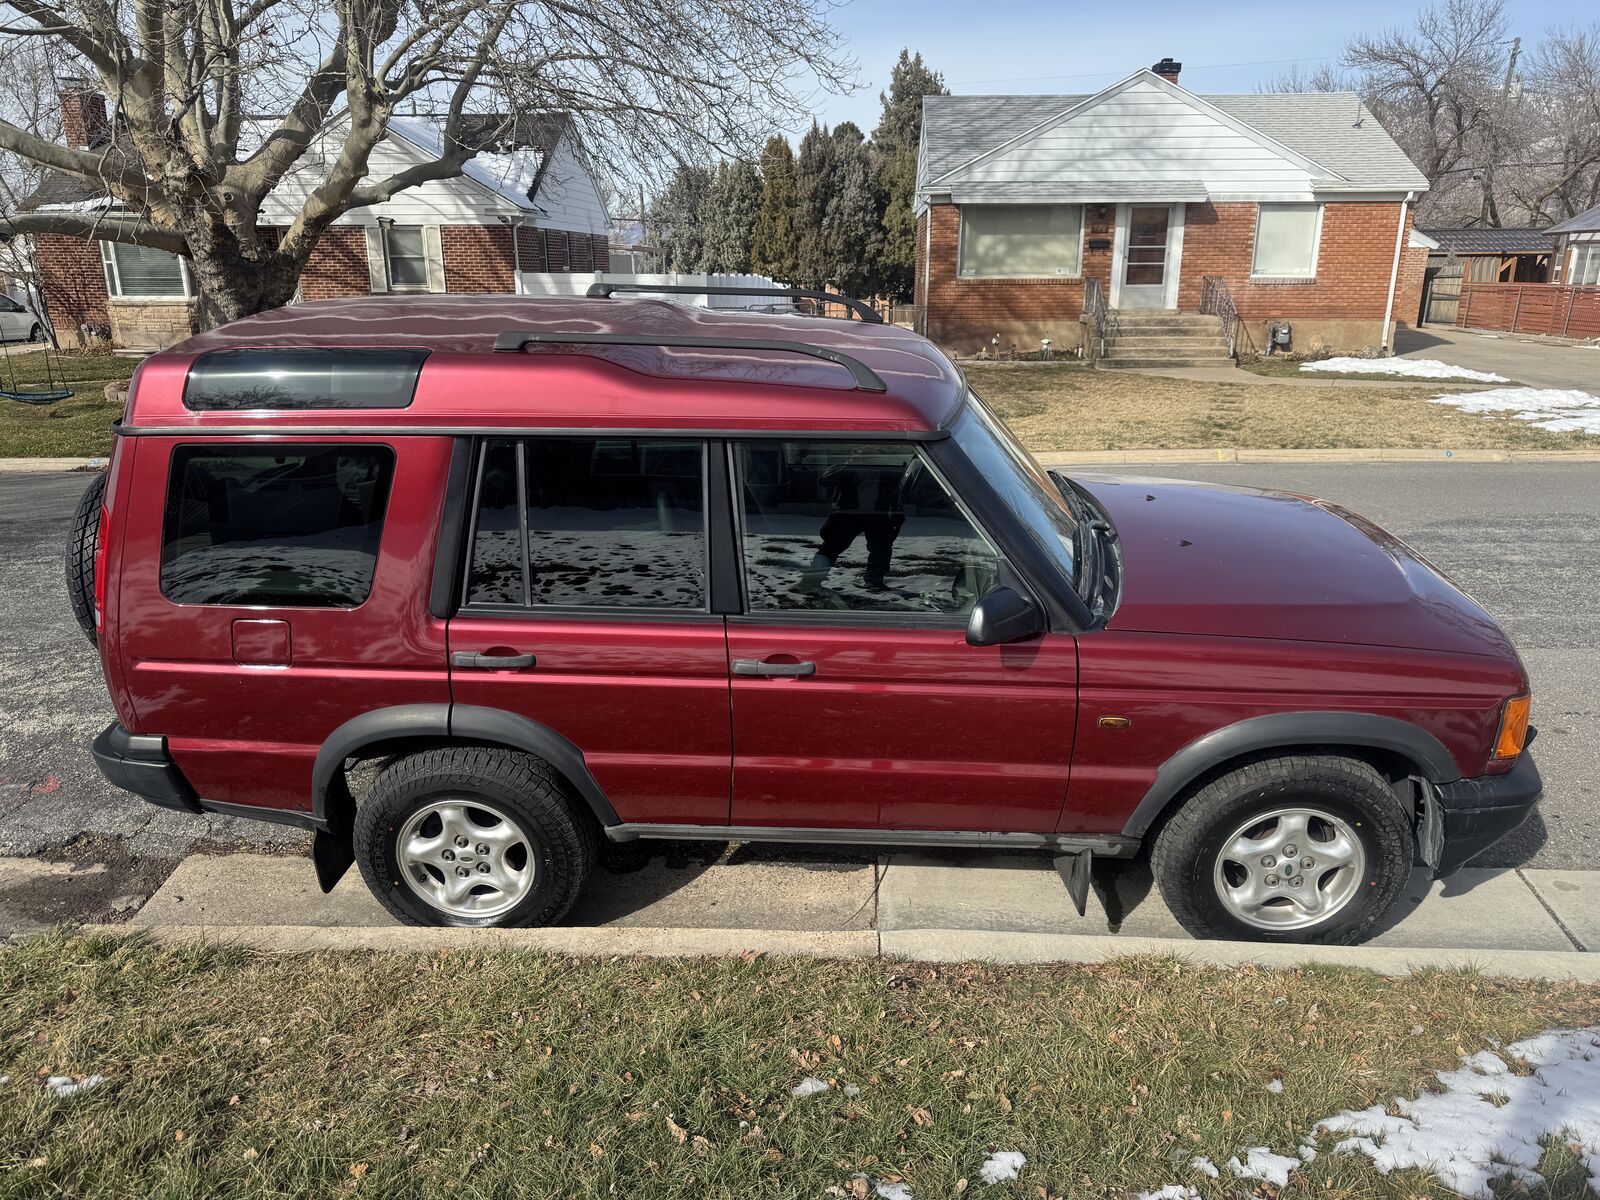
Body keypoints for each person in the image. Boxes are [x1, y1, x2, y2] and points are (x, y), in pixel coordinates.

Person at [799, 450, 908, 593]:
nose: (866, 460)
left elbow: (899, 491)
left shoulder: (886, 471)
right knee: (831, 548)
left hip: (876, 515)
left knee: (881, 549)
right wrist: (848, 467)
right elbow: (825, 481)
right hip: (847, 515)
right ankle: (811, 581)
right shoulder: (842, 468)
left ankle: (874, 580)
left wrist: (897, 513)